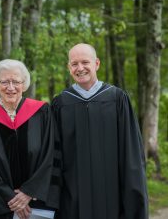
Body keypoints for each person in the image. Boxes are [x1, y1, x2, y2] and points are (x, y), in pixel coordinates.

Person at [52, 43, 148, 219]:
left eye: (85, 62)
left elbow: (131, 153)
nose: (80, 68)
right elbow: (53, 156)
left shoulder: (117, 98)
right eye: (74, 64)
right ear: (69, 68)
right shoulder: (61, 103)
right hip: (73, 199)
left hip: (113, 197)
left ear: (96, 64)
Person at [0, 59, 61, 219]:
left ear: (24, 84)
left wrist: (29, 192)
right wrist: (11, 198)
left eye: (16, 81)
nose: (10, 87)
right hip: (0, 206)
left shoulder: (42, 113)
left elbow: (50, 155)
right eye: (4, 81)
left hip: (37, 204)